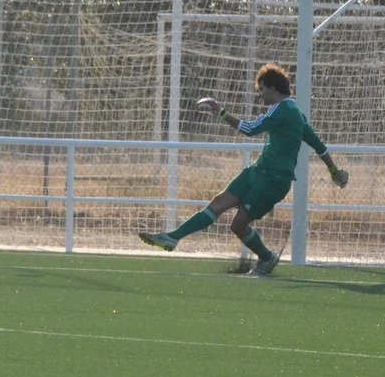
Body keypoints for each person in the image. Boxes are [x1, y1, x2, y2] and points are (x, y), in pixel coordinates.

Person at [139, 63, 348, 275]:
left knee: (237, 226)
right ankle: (172, 237)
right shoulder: (296, 114)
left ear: (273, 89)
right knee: (218, 202)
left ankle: (266, 257)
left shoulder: (283, 109)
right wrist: (334, 172)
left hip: (273, 181)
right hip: (257, 172)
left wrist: (219, 112)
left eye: (262, 90)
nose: (260, 95)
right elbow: (320, 147)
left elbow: (249, 129)